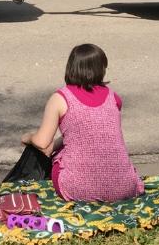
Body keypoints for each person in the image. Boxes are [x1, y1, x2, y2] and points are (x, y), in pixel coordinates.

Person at [19, 43, 144, 202]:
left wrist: (28, 137)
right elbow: (89, 134)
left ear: (71, 67)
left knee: (60, 159)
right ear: (101, 69)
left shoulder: (60, 98)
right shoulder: (114, 98)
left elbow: (42, 143)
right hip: (124, 187)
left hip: (78, 189)